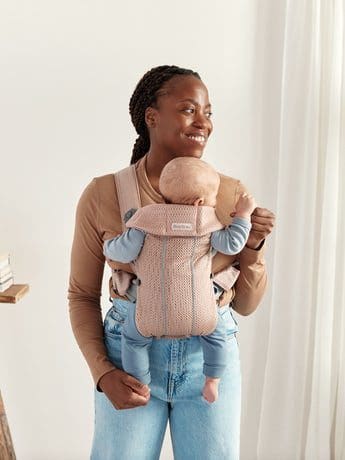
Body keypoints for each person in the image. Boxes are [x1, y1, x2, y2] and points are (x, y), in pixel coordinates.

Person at [68, 64, 275, 459]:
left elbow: (246, 305)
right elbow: (80, 294)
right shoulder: (103, 195)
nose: (204, 122)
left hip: (209, 360)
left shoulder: (231, 195)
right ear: (151, 117)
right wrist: (102, 373)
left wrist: (255, 246)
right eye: (189, 109)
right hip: (128, 357)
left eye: (209, 112)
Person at [103, 156, 256, 404]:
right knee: (217, 335)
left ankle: (141, 384)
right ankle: (212, 380)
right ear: (199, 203)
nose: (215, 203)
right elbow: (233, 245)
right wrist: (243, 217)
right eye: (214, 198)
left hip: (150, 314)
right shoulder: (208, 225)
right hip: (200, 313)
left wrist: (109, 245)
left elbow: (123, 251)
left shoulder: (144, 221)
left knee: (132, 340)